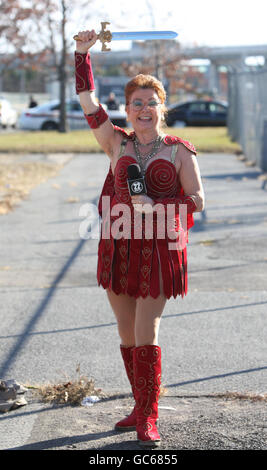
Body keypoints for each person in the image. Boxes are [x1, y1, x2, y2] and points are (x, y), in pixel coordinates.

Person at [74, 30, 205, 448]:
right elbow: (87, 102)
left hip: (160, 252)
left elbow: (199, 200)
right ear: (128, 110)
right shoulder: (115, 142)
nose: (144, 109)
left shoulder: (180, 151)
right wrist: (81, 54)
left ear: (161, 107)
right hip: (118, 249)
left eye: (152, 102)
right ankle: (137, 403)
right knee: (127, 334)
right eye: (137, 103)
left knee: (147, 333)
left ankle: (149, 416)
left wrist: (159, 207)